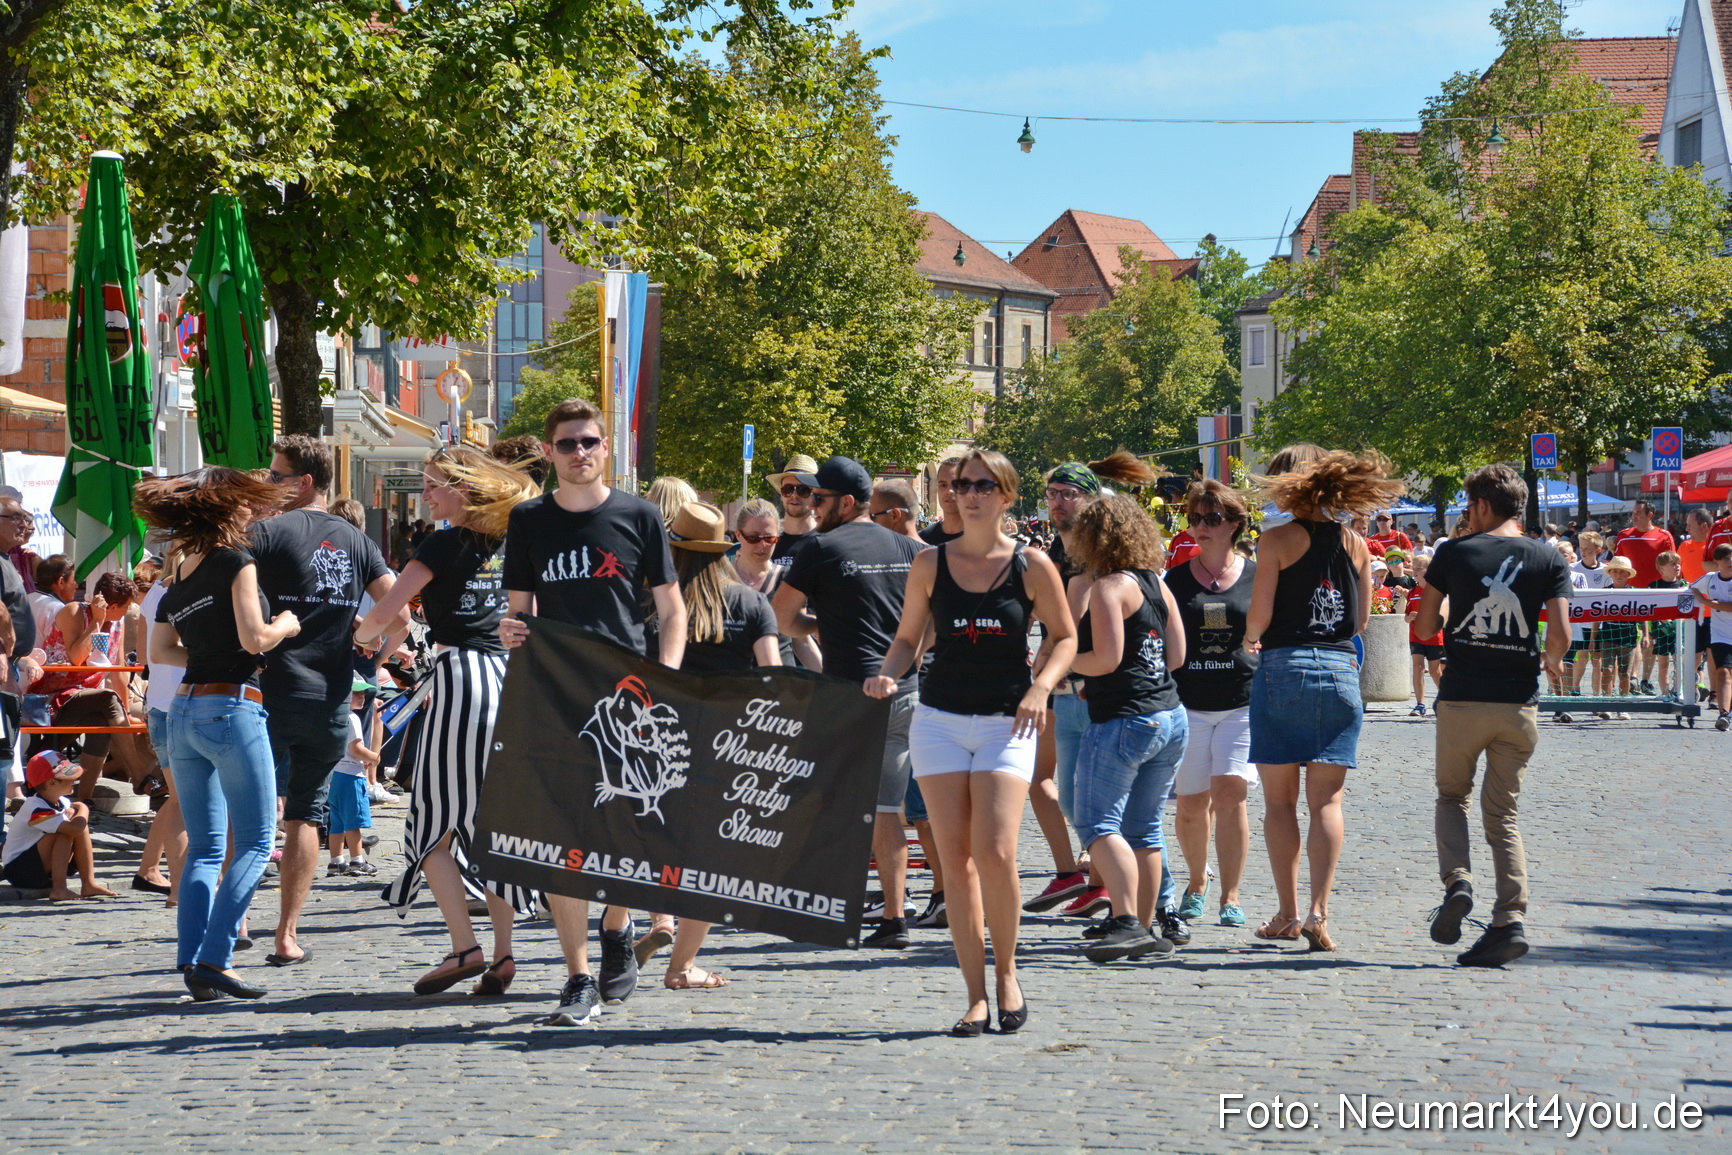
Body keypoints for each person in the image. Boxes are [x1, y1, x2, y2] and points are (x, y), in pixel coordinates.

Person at [866, 449, 1073, 1034]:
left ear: (1006, 496)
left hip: (1009, 721)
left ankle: (1008, 973)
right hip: (940, 719)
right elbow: (909, 638)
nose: (970, 494)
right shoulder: (930, 562)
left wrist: (1041, 687)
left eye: (984, 485)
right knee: (954, 861)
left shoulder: (1031, 565)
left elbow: (1063, 637)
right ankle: (975, 994)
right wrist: (890, 670)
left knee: (998, 852)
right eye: (961, 485)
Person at [498, 398, 686, 1026]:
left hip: (629, 693)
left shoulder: (639, 515)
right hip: (554, 691)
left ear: (606, 448)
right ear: (549, 453)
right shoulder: (528, 520)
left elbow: (672, 607)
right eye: (568, 443)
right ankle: (577, 975)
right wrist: (511, 634)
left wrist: (668, 678)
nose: (580, 453)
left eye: (590, 442)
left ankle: (617, 925)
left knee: (626, 827)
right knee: (561, 836)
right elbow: (518, 609)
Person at [137, 466, 302, 1001]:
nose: (252, 511)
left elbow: (159, 652)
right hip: (231, 707)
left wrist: (206, 653)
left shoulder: (178, 572)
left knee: (206, 849)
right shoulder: (237, 562)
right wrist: (286, 626)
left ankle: (192, 958)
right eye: (245, 504)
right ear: (229, 509)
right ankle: (214, 957)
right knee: (255, 843)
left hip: (183, 709)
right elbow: (256, 638)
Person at [1244, 444, 1402, 952]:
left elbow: (1261, 616)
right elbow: (1360, 621)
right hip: (1339, 668)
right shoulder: (1356, 542)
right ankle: (1318, 912)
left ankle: (1288, 913)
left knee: (1280, 802)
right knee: (1327, 801)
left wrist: (1248, 637)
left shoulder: (1276, 540)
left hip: (1284, 666)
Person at [249, 434, 399, 969]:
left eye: (275, 475)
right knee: (308, 814)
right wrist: (371, 654)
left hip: (267, 689)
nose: (268, 483)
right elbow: (399, 614)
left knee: (247, 807)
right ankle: (287, 934)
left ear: (303, 482)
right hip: (332, 695)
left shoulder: (263, 533)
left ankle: (238, 921)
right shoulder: (358, 541)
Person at [1414, 464, 1572, 967]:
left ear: (1482, 505)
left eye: (1468, 506)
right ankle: (1510, 920)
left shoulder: (1453, 553)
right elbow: (1561, 636)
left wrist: (1443, 620)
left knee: (1450, 797)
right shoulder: (1548, 556)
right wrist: (1548, 661)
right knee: (1503, 815)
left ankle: (1458, 881)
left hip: (1462, 697)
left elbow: (1423, 625)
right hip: (1517, 703)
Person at [772, 455, 923, 950]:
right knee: (885, 807)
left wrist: (822, 627)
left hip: (849, 690)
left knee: (832, 802)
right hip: (904, 689)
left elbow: (781, 618)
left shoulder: (819, 547)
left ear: (848, 502)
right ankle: (894, 917)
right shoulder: (908, 547)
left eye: (819, 498)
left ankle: (829, 905)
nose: (812, 506)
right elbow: (931, 622)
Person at [645, 500, 782, 990]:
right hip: (731, 739)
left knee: (661, 835)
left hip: (663, 735)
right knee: (710, 858)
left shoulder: (655, 602)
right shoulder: (750, 602)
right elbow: (772, 676)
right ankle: (682, 965)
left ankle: (660, 917)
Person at [1023, 452, 1159, 921]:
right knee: (1054, 785)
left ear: (1089, 500)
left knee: (1093, 802)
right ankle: (1081, 877)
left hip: (1085, 685)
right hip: (1064, 684)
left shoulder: (1091, 558)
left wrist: (1047, 659)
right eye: (1052, 494)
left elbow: (1068, 619)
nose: (1057, 502)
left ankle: (1114, 892)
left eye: (1068, 494)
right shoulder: (1058, 550)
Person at [1066, 494, 1189, 963]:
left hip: (1124, 717)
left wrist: (1061, 664)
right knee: (1145, 829)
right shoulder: (1156, 581)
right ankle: (1142, 924)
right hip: (1170, 715)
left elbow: (1105, 659)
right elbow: (1176, 656)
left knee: (1097, 821)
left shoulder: (1109, 588)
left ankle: (1124, 921)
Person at [1165, 480, 1259, 930]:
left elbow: (1272, 629)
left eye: (1212, 519)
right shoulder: (1176, 578)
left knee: (1230, 795)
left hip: (1242, 700)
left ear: (1235, 524)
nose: (1201, 526)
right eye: (1195, 518)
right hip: (1188, 703)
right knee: (1190, 802)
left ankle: (1231, 893)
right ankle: (1196, 881)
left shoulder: (1259, 575)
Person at [869, 479, 946, 927]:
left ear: (895, 515)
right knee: (908, 807)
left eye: (875, 517)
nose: (871, 527)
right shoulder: (920, 556)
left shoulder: (922, 558)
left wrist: (907, 662)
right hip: (916, 685)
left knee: (918, 807)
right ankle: (923, 895)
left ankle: (942, 892)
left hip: (925, 690)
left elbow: (925, 627)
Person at [33, 572, 155, 800]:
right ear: (114, 606)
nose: (129, 610)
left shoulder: (118, 622)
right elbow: (77, 658)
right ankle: (139, 776)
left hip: (89, 696)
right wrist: (97, 621)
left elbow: (118, 670)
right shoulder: (74, 611)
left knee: (102, 721)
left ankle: (84, 799)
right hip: (55, 695)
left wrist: (125, 713)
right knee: (107, 698)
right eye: (127, 606)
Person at [2, 750, 114, 899]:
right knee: (64, 832)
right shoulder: (35, 807)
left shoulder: (63, 801)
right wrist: (84, 808)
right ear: (52, 782)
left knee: (79, 827)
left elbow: (78, 828)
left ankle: (88, 884)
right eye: (69, 778)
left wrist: (77, 812)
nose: (74, 780)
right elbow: (74, 829)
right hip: (20, 871)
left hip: (39, 866)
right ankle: (59, 888)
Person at [325, 680, 378, 878]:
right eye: (356, 693)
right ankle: (357, 861)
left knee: (337, 822)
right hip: (351, 777)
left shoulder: (334, 714)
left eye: (363, 693)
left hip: (335, 775)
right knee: (352, 822)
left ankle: (336, 861)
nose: (361, 696)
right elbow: (356, 749)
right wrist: (374, 757)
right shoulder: (352, 718)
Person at [1691, 542, 1732, 730]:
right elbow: (1690, 588)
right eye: (1726, 558)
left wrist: (1708, 602)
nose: (1730, 561)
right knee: (1723, 671)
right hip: (1720, 634)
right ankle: (1724, 715)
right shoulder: (1709, 579)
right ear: (1716, 561)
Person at [1405, 553, 1446, 718]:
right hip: (1416, 636)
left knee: (1435, 671)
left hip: (1435, 636)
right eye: (1413, 568)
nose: (1414, 572)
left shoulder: (1437, 591)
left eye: (1418, 569)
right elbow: (1406, 617)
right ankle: (1420, 704)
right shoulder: (1412, 592)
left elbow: (1444, 614)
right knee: (1418, 667)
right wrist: (1411, 617)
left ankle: (1446, 699)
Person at [766, 454, 820, 567]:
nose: (794, 495)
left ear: (815, 494)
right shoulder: (765, 539)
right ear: (781, 494)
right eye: (788, 489)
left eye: (803, 490)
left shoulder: (827, 539)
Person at [1648, 551, 1687, 698]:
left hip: (1679, 628)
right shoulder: (1654, 586)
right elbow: (1651, 608)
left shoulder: (1684, 584)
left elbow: (1687, 608)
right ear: (1661, 568)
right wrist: (1663, 620)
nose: (1677, 566)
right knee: (1663, 663)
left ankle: (1678, 690)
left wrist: (1678, 621)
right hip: (1661, 629)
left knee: (1679, 662)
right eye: (1672, 564)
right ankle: (1665, 692)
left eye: (1678, 563)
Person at [1613, 500, 1675, 589]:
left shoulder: (1664, 536)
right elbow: (1617, 564)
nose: (1634, 516)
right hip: (1629, 591)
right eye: (1633, 513)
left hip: (1657, 590)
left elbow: (1673, 564)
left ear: (1650, 515)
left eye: (1638, 513)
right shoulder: (1623, 536)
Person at [29, 554, 75, 644]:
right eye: (74, 580)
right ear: (61, 582)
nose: (76, 585)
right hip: (41, 658)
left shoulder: (24, 599)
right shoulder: (58, 608)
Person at [919, 457, 964, 545]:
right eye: (943, 485)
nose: (949, 491)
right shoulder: (923, 540)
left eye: (956, 485)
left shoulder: (985, 540)